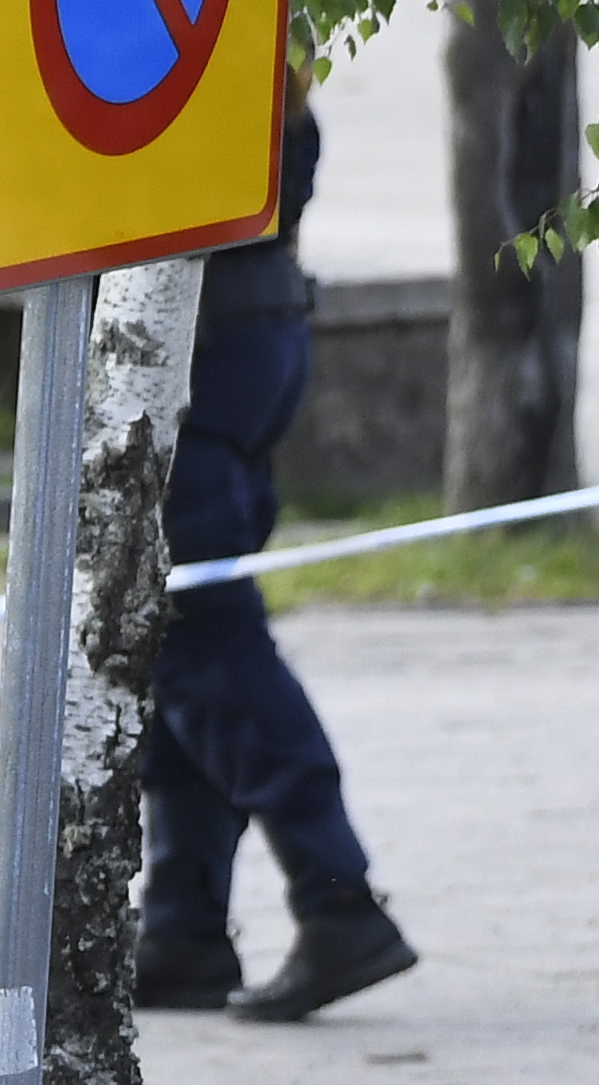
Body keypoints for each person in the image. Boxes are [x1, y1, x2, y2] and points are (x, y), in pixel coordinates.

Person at [134, 87, 417, 1026]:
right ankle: (183, 929)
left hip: (197, 350)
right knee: (175, 648)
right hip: (250, 333)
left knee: (206, 642)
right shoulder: (249, 41)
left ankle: (337, 899)